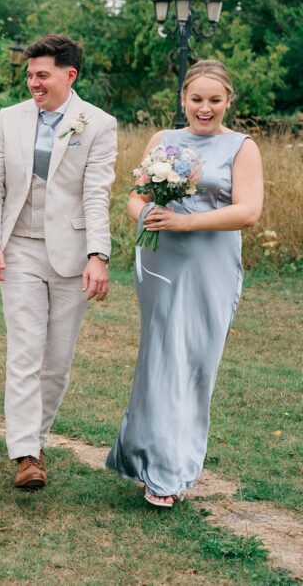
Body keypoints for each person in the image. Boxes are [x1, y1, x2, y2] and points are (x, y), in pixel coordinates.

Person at [106, 60, 263, 508]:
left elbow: (248, 212)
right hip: (160, 261)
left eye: (215, 100)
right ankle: (153, 466)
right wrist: (148, 217)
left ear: (228, 101)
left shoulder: (241, 146)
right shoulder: (163, 141)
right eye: (197, 99)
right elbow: (136, 197)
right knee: (159, 354)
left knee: (195, 361)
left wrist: (184, 223)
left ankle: (170, 467)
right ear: (183, 100)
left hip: (210, 264)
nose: (205, 108)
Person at [0, 34, 117, 490]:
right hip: (18, 246)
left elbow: (96, 193)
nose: (33, 83)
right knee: (24, 351)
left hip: (71, 252)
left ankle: (36, 441)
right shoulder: (8, 118)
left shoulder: (97, 123)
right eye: (29, 75)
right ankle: (25, 454)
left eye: (42, 75)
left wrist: (98, 254)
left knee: (56, 360)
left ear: (68, 75)